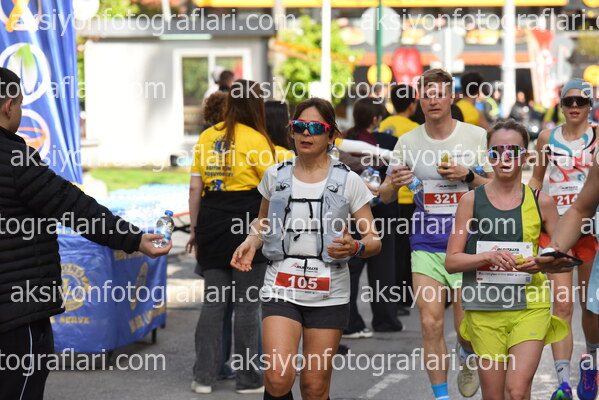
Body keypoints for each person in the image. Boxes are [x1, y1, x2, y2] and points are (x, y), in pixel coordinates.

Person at [0, 68, 171, 399]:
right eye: (19, 104)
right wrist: (135, 239)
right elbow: (74, 207)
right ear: (9, 105)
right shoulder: (16, 160)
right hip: (17, 316)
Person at [230, 97, 381, 400]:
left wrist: (355, 247)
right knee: (277, 378)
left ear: (332, 134)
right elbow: (262, 222)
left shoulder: (349, 181)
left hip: (329, 291)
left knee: (314, 387)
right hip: (281, 286)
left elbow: (373, 240)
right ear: (291, 131)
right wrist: (250, 241)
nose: (306, 134)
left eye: (315, 128)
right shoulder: (275, 175)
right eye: (299, 126)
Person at [380, 68, 493, 400]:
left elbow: (495, 186)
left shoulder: (475, 136)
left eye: (439, 94)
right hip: (425, 244)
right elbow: (384, 195)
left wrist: (468, 176)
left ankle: (467, 355)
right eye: (427, 95)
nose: (433, 101)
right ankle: (441, 396)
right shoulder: (408, 141)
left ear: (451, 97)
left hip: (467, 245)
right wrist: (394, 183)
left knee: (465, 329)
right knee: (430, 324)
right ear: (419, 100)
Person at [445, 119, 569, 400]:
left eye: (512, 151)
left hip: (530, 307)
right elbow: (451, 262)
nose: (504, 158)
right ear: (488, 157)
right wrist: (486, 256)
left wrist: (541, 262)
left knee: (516, 390)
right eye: (496, 152)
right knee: (495, 396)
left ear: (525, 156)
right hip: (484, 309)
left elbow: (564, 258)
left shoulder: (542, 202)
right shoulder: (470, 201)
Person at [187, 79, 276, 395]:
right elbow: (274, 190)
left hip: (211, 221)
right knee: (248, 306)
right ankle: (248, 379)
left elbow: (195, 188)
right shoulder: (257, 139)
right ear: (256, 105)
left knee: (213, 304)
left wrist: (195, 231)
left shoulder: (206, 136)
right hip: (247, 222)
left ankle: (203, 377)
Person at [528, 78, 599, 400]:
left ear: (590, 105)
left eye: (580, 101)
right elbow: (537, 180)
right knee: (563, 304)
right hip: (556, 228)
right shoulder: (547, 138)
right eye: (568, 101)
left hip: (590, 230)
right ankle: (563, 384)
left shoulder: (597, 137)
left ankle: (591, 361)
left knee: (590, 306)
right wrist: (524, 211)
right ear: (560, 104)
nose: (574, 107)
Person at [342, 97, 403, 337]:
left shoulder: (344, 139)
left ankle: (350, 321)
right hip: (383, 211)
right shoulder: (388, 142)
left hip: (351, 211)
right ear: (376, 118)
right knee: (383, 268)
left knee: (350, 266)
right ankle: (385, 319)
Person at [379, 84, 420, 313]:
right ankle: (404, 298)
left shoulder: (383, 124)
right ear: (412, 105)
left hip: (390, 194)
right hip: (410, 197)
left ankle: (392, 299)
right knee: (407, 252)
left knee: (393, 252)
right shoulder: (414, 130)